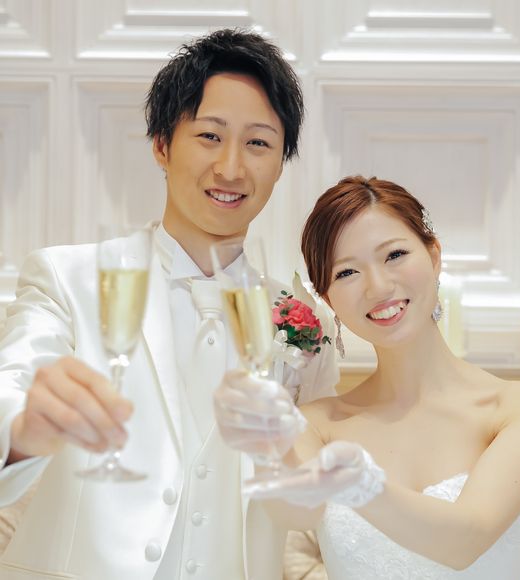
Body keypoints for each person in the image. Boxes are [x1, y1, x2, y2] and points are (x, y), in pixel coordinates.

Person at [0, 29, 337, 580]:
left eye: (258, 144)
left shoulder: (302, 320)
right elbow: (11, 385)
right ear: (162, 145)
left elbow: (316, 489)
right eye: (209, 136)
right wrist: (20, 434)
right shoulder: (68, 278)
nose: (231, 168)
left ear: (281, 163)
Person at [215, 175, 520, 579]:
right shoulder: (317, 424)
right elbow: (294, 513)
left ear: (434, 256)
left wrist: (362, 486)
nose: (379, 287)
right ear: (328, 299)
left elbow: (466, 541)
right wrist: (268, 449)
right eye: (347, 273)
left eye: (395, 255)